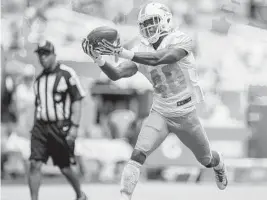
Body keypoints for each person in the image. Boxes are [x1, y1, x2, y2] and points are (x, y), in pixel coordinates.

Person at [82, 2, 228, 200]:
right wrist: (98, 59)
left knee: (206, 159)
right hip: (160, 113)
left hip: (186, 114)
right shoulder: (140, 48)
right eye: (145, 24)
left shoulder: (181, 40)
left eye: (153, 22)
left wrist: (122, 52)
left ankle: (219, 165)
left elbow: (161, 58)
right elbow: (117, 74)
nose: (149, 28)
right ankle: (125, 196)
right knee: (137, 156)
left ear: (166, 20)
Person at [28, 40, 87, 200]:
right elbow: (38, 105)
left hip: (60, 127)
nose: (42, 58)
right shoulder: (39, 80)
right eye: (40, 54)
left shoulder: (67, 74)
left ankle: (80, 194)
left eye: (46, 54)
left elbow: (77, 99)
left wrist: (74, 126)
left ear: (54, 55)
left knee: (65, 167)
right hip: (40, 127)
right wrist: (34, 127)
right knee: (34, 164)